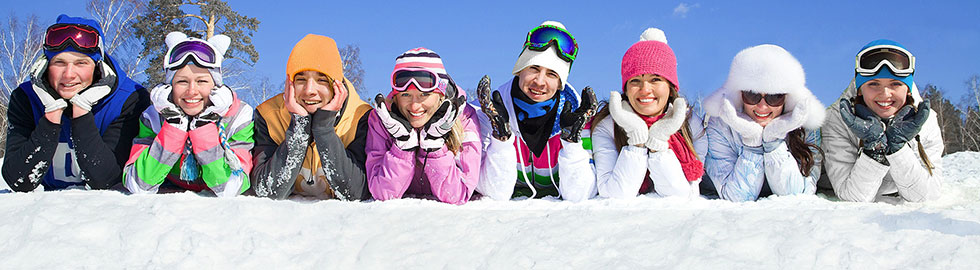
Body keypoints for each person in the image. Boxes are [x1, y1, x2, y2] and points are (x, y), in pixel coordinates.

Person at [3, 14, 149, 191]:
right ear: (45, 66)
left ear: (98, 67)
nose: (69, 74)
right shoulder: (26, 98)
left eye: (81, 63)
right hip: (47, 212)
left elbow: (106, 179)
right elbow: (19, 181)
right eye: (59, 63)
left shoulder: (129, 99)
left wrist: (81, 111)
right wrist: (51, 115)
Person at [475, 21, 598, 202]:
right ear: (520, 69)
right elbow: (494, 194)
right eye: (534, 68)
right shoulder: (488, 113)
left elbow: (580, 196)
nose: (540, 82)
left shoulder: (578, 118)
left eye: (551, 74)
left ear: (560, 83)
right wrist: (500, 139)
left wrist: (571, 143)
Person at [122, 32, 253, 196]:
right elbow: (137, 185)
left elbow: (231, 188)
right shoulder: (153, 117)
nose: (192, 91)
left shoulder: (238, 117)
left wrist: (203, 127)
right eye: (182, 81)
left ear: (217, 85)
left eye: (202, 81)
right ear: (169, 86)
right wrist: (174, 126)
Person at [251, 34, 373, 200]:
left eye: (321, 80)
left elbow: (355, 193)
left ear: (337, 86)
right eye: (301, 79)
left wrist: (323, 129)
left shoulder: (360, 118)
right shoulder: (268, 116)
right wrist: (299, 126)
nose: (309, 90)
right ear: (290, 84)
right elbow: (267, 191)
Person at [821, 39, 942, 202]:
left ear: (907, 88)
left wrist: (898, 148)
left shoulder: (924, 121)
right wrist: (874, 149)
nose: (885, 94)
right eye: (873, 84)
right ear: (860, 89)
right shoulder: (838, 119)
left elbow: (926, 196)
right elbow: (852, 198)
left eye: (895, 84)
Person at [701, 44, 825, 202]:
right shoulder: (721, 125)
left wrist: (774, 141)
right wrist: (752, 142)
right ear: (739, 94)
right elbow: (735, 197)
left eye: (774, 96)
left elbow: (797, 197)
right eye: (752, 95)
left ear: (788, 97)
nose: (762, 106)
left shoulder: (806, 127)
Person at [592, 28, 704, 199]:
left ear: (670, 86)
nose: (645, 90)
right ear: (626, 89)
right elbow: (614, 194)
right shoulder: (608, 126)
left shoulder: (690, 124)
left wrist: (659, 143)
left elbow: (683, 195)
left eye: (655, 79)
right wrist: (636, 142)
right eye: (635, 81)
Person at [365, 48, 481, 204]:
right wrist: (402, 148)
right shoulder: (381, 120)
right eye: (405, 95)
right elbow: (382, 193)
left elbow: (458, 194)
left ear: (440, 94)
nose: (414, 106)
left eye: (424, 95)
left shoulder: (463, 117)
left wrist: (434, 146)